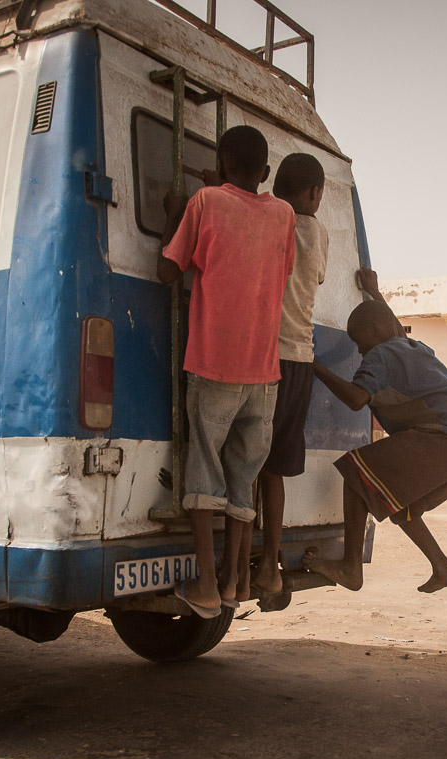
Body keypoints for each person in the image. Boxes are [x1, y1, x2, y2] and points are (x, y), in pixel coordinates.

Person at [158, 125, 295, 617]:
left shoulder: (205, 202)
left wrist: (176, 216)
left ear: (220, 166)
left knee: (204, 473)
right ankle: (237, 580)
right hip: (264, 372)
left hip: (215, 363)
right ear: (264, 172)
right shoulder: (284, 215)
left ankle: (207, 587)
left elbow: (168, 271)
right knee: (244, 480)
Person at [306, 275, 447, 593]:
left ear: (374, 332)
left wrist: (312, 363)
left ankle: (351, 569)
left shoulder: (381, 354)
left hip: (446, 439)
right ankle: (444, 567)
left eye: (358, 339)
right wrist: (374, 293)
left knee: (355, 472)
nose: (359, 348)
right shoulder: (412, 346)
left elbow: (355, 399)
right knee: (401, 507)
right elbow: (390, 325)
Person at [248, 152, 329, 608]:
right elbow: (315, 276)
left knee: (247, 461)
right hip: (299, 357)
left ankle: (242, 558)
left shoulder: (267, 219)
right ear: (315, 193)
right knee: (273, 469)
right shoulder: (317, 233)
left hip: (260, 356)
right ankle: (270, 564)